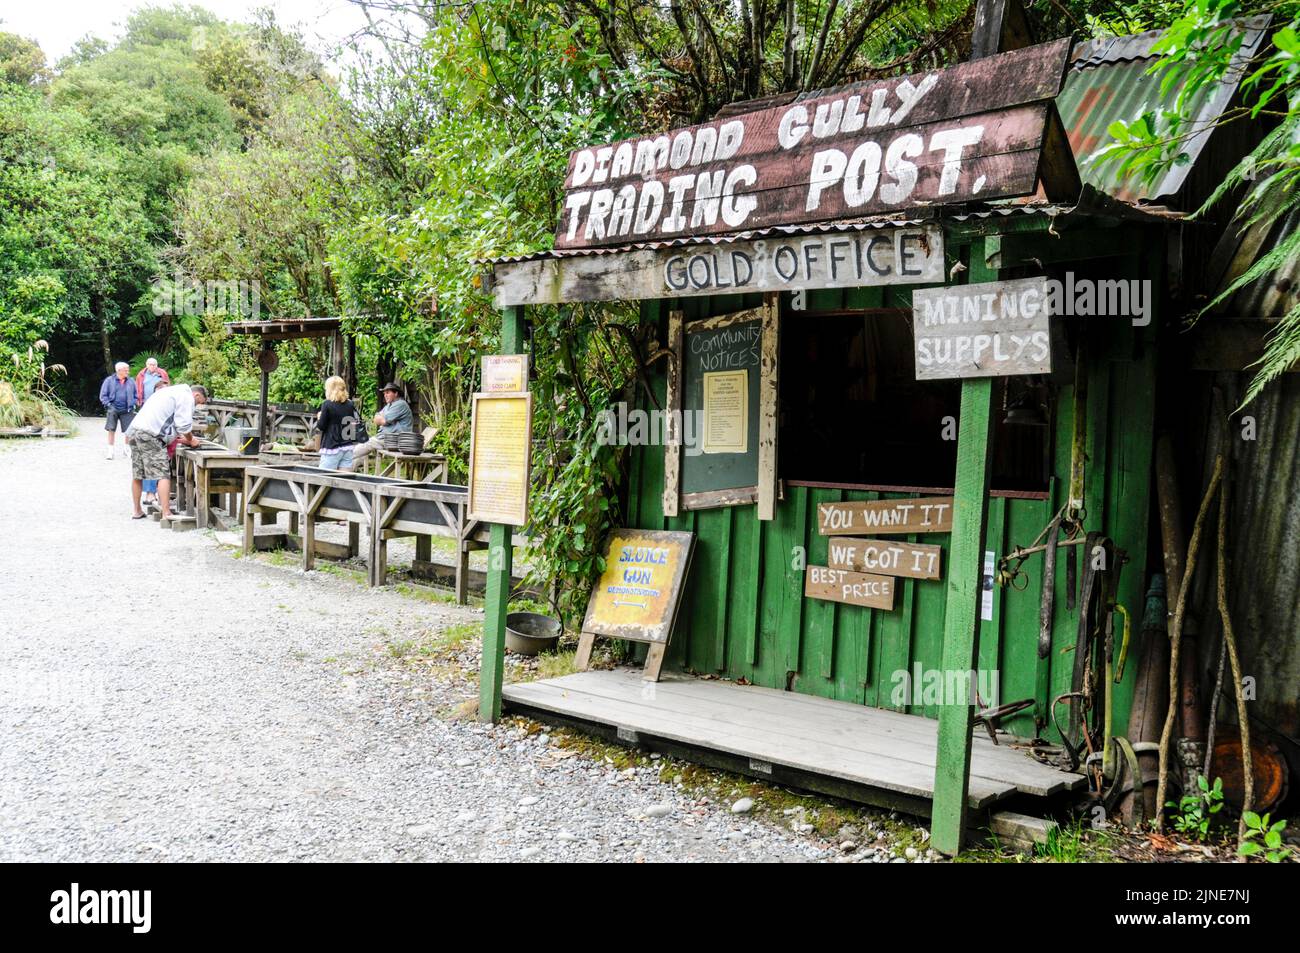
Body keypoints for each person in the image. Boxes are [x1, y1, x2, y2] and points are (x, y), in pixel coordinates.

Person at [126, 383, 209, 521]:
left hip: (135, 431)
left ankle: (137, 510)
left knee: (138, 474)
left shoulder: (169, 391)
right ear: (197, 395)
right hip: (150, 435)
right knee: (163, 474)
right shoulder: (186, 396)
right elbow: (183, 425)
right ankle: (166, 513)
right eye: (198, 403)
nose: (196, 405)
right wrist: (192, 440)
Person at [348, 382, 413, 470]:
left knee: (365, 445)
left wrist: (382, 419)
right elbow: (376, 418)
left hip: (395, 440)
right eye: (384, 393)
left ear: (396, 393)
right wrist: (381, 419)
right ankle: (343, 474)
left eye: (388, 393)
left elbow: (383, 421)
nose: (385, 395)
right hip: (385, 439)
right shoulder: (389, 405)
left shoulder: (401, 404)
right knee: (359, 457)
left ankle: (343, 457)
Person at [315, 376, 362, 471]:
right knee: (343, 480)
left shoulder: (327, 404)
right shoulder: (350, 404)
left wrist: (319, 417)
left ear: (330, 389)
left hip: (332, 447)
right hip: (347, 447)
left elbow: (321, 426)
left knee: (323, 478)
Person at [99, 361, 138, 459]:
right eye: (126, 370)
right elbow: (103, 395)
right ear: (119, 370)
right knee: (111, 429)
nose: (128, 372)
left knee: (129, 430)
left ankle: (126, 449)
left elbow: (136, 395)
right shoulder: (109, 380)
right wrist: (108, 404)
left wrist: (133, 403)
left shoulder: (131, 381)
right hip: (113, 408)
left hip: (127, 409)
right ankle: (110, 451)